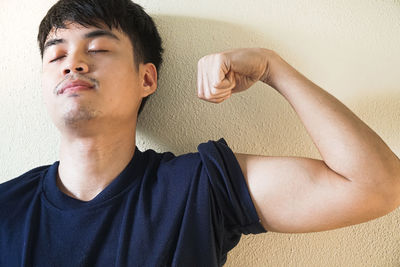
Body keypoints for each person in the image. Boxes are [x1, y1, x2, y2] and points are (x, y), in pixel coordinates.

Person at [1, 0, 399, 266]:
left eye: (99, 49)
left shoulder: (199, 187)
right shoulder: (6, 208)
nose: (73, 64)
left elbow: (377, 186)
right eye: (56, 55)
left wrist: (272, 68)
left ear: (147, 78)